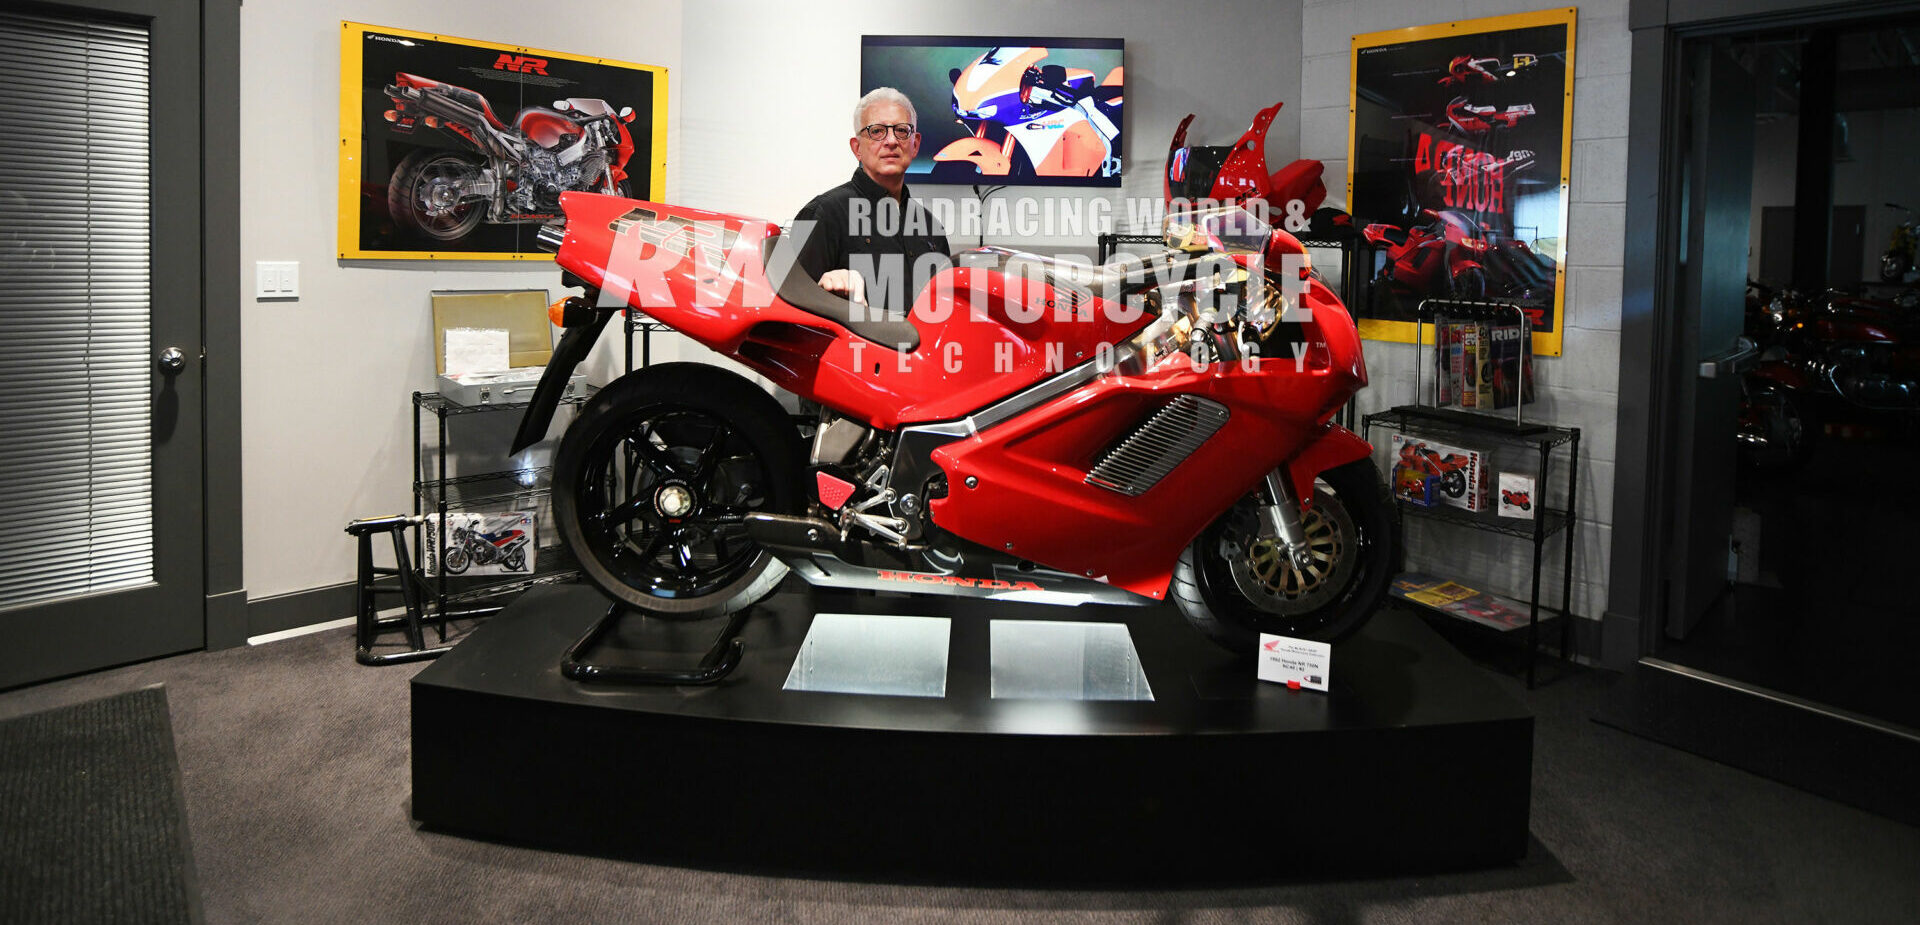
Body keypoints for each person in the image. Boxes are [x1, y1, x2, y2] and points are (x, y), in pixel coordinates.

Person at [792, 87, 950, 316]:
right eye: (876, 131)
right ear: (857, 148)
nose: (891, 141)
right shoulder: (824, 213)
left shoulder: (931, 228)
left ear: (915, 144)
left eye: (901, 131)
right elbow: (789, 309)